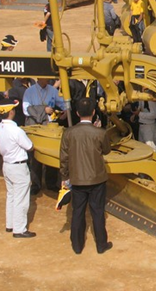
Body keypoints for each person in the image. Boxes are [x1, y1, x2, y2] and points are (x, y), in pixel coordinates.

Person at [59, 98, 113, 255]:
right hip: (97, 179)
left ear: (77, 113)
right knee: (98, 212)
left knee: (77, 212)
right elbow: (107, 150)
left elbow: (64, 158)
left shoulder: (69, 133)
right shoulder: (100, 133)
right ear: (94, 112)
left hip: (77, 179)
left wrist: (65, 176)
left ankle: (77, 245)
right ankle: (101, 245)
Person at [0, 97, 36, 239]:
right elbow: (29, 146)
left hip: (7, 165)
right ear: (11, 112)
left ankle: (10, 224)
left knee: (11, 195)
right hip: (18, 167)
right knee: (21, 199)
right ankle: (19, 229)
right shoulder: (16, 131)